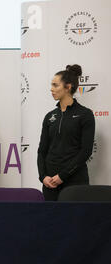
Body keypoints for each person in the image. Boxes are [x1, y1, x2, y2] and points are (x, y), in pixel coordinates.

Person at [37, 64, 95, 201]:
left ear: (68, 87)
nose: (51, 89)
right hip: (50, 184)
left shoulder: (85, 114)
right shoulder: (49, 116)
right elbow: (42, 151)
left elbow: (86, 151)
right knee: (52, 222)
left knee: (76, 222)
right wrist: (43, 176)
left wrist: (62, 176)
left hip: (75, 182)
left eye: (55, 85)